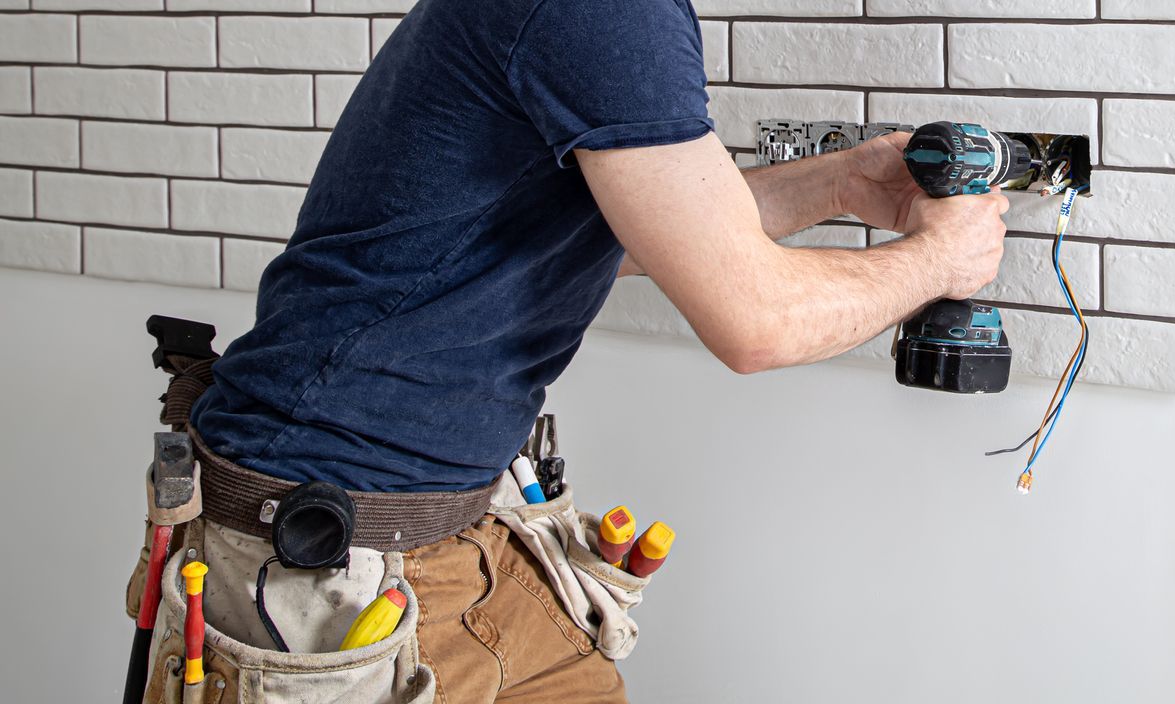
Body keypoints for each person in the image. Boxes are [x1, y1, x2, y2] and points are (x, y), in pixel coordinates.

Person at [146, 0, 1008, 701]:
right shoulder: (604, 11)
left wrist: (839, 184)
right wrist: (939, 260)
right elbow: (759, 323)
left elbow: (624, 234)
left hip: (460, 531)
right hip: (320, 557)